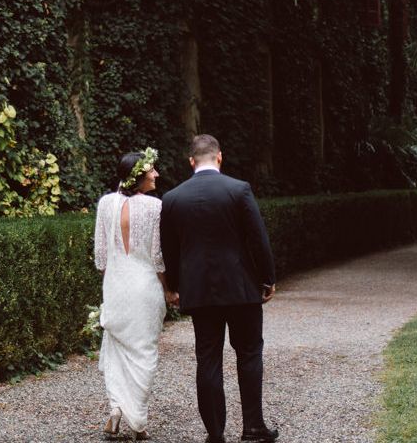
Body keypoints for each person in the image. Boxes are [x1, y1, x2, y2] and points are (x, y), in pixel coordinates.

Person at [160, 134, 279, 443]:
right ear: (220, 157)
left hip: (199, 292)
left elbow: (169, 250)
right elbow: (258, 238)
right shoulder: (238, 190)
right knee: (249, 353)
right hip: (240, 288)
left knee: (208, 358)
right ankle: (253, 427)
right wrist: (268, 278)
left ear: (190, 162)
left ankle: (215, 433)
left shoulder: (173, 198)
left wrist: (174, 287)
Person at [94, 147, 169, 441]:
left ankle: (115, 409)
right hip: (144, 285)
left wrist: (114, 278)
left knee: (116, 348)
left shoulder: (105, 204)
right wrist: (168, 288)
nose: (156, 174)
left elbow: (101, 258)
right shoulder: (155, 207)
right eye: (152, 170)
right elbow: (158, 257)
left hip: (115, 284)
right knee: (144, 351)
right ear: (138, 175)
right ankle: (138, 422)